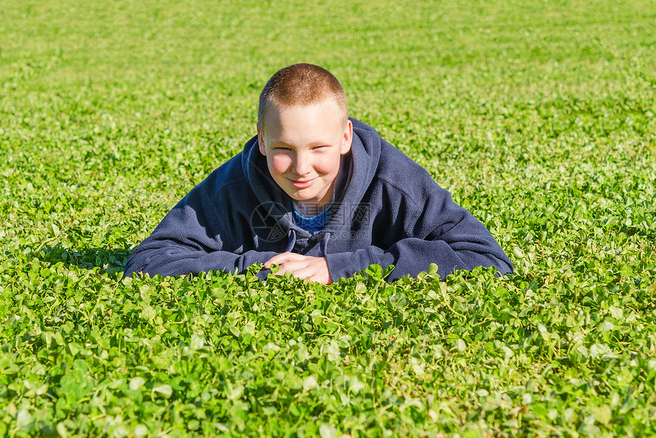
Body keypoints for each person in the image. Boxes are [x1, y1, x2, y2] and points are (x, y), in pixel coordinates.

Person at [124, 63, 512, 284]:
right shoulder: (233, 186)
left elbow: (486, 258)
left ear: (345, 136)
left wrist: (338, 267)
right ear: (261, 141)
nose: (301, 168)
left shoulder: (394, 181)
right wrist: (261, 268)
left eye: (319, 148)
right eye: (283, 150)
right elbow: (149, 259)